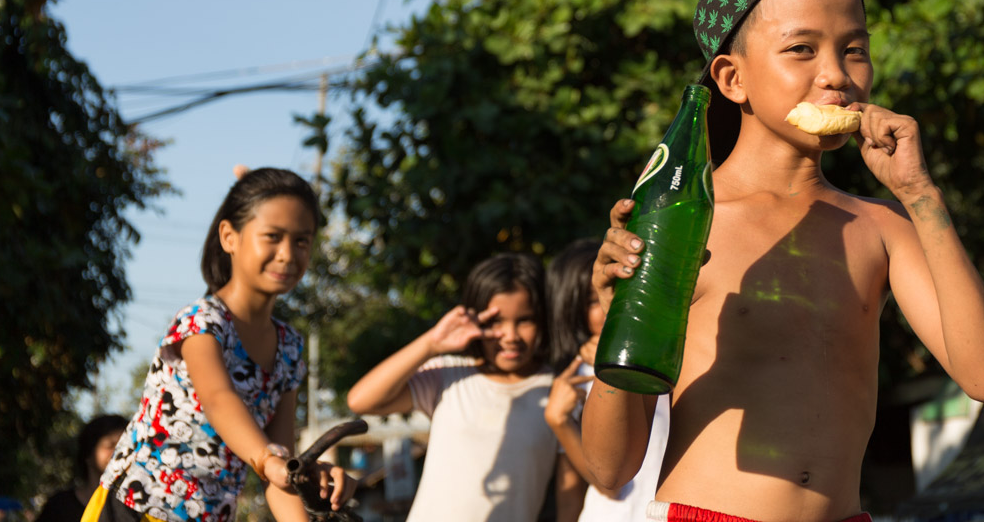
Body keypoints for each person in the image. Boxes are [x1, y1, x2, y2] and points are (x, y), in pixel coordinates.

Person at [582, 0, 984, 522]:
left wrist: (921, 196)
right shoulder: (684, 223)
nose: (836, 75)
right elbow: (611, 468)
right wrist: (616, 318)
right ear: (732, 79)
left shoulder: (881, 225)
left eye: (854, 49)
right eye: (801, 49)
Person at [88, 168, 350, 522]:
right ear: (229, 236)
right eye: (272, 236)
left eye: (302, 241)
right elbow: (218, 399)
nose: (288, 253)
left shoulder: (290, 347)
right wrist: (269, 460)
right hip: (136, 506)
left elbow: (280, 469)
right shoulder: (202, 321)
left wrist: (287, 473)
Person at [347, 253, 578, 522]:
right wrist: (431, 343)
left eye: (525, 320)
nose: (511, 336)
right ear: (475, 317)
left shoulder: (560, 392)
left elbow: (569, 495)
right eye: (496, 321)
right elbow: (361, 401)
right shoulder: (449, 375)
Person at [545, 239, 670, 522]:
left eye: (620, 289)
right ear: (572, 312)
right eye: (592, 300)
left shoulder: (670, 358)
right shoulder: (578, 378)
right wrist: (559, 422)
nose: (608, 303)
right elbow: (583, 488)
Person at [34, 414, 128, 522]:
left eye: (125, 446)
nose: (119, 452)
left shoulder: (134, 509)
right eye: (110, 446)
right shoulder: (60, 507)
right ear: (88, 454)